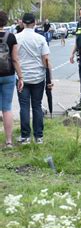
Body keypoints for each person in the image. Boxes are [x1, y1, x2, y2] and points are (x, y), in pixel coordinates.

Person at [16, 13, 53, 145]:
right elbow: (46, 60)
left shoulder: (16, 38)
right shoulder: (41, 39)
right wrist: (50, 79)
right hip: (38, 77)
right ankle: (39, 137)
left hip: (22, 77)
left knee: (24, 107)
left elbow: (14, 59)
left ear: (22, 23)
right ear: (35, 22)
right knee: (37, 106)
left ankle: (25, 137)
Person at [0, 11, 24, 147]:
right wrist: (20, 77)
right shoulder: (11, 37)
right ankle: (8, 141)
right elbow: (15, 59)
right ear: (5, 22)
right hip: (8, 75)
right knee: (7, 108)